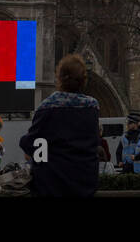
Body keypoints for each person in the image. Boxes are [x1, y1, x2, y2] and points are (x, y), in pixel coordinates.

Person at [19, 54, 100, 197]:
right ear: (83, 80)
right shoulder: (92, 107)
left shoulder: (48, 106)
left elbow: (31, 142)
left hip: (53, 185)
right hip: (84, 185)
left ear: (60, 78)